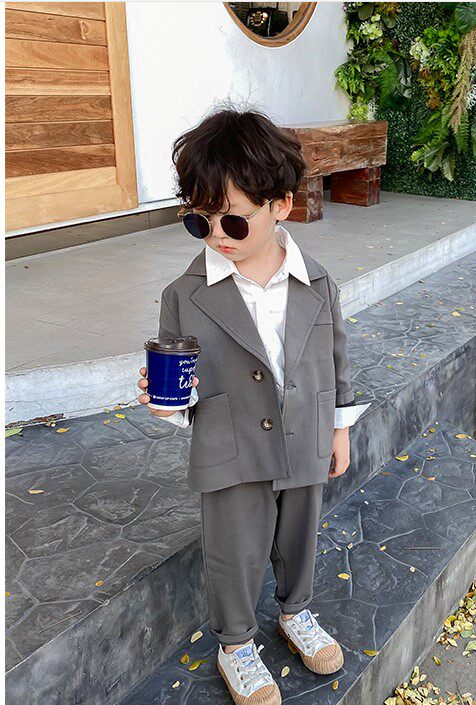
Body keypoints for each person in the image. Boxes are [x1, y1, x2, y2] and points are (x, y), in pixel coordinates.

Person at [136, 106, 370, 705]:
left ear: (281, 206)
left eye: (234, 221)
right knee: (233, 551)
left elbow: (335, 358)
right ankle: (235, 642)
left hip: (304, 433)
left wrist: (339, 429)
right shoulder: (184, 295)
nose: (218, 234)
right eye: (199, 220)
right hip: (230, 442)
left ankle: (296, 611)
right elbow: (181, 375)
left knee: (300, 534)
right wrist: (168, 401)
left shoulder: (317, 282)